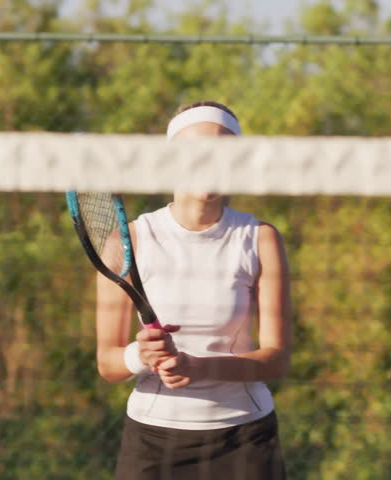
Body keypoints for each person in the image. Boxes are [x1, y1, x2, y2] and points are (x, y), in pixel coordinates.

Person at [95, 101, 293, 479]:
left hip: (245, 440)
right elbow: (108, 363)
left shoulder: (261, 239)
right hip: (152, 443)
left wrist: (199, 367)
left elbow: (276, 360)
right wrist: (141, 355)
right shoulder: (129, 241)